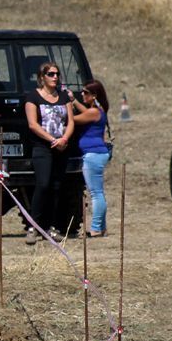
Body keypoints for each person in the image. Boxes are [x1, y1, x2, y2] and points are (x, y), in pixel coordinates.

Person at [24, 62, 75, 244]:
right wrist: (51, 140)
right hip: (43, 147)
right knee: (43, 184)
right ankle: (33, 226)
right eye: (51, 74)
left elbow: (70, 122)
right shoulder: (33, 97)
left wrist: (64, 139)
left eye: (57, 74)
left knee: (56, 187)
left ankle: (53, 227)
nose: (55, 77)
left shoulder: (63, 97)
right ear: (42, 77)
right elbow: (33, 124)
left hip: (61, 147)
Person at [70, 79, 111, 237]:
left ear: (94, 95)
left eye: (85, 92)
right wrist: (74, 102)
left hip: (93, 155)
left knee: (96, 193)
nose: (82, 94)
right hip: (97, 154)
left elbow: (73, 119)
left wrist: (67, 106)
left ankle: (95, 228)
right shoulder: (97, 110)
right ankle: (101, 228)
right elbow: (84, 112)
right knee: (98, 192)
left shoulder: (94, 112)